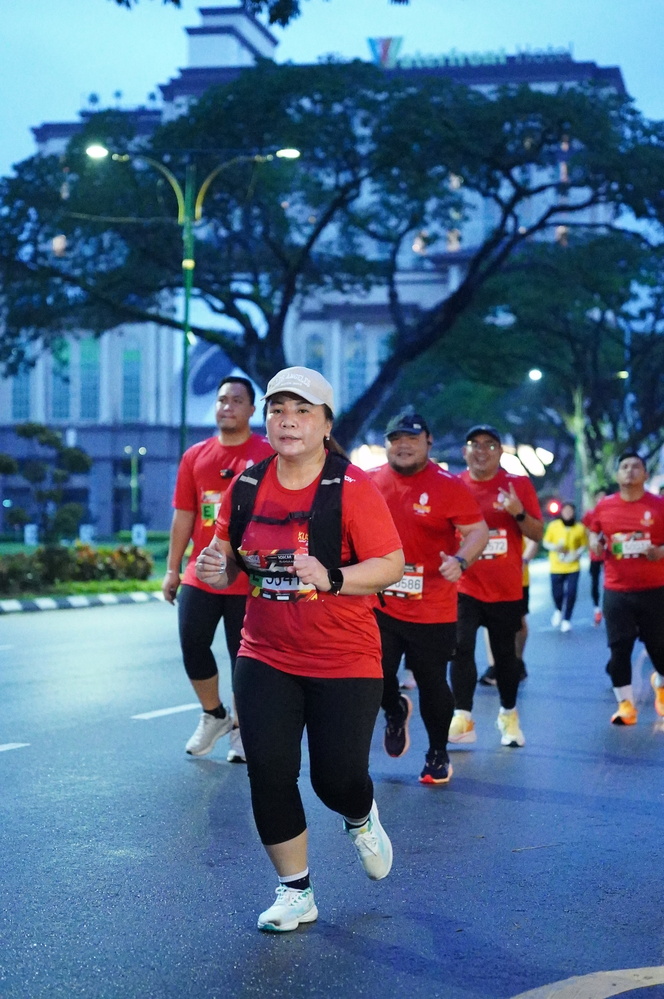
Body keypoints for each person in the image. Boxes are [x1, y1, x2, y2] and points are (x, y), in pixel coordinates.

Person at [196, 366, 404, 932]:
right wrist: (216, 570)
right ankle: (295, 891)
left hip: (345, 657)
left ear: (326, 425)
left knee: (334, 779)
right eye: (278, 410)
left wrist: (332, 577)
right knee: (268, 771)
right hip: (265, 654)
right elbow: (228, 561)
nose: (288, 421)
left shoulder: (351, 487)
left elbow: (391, 565)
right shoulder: (246, 485)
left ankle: (360, 815)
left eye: (303, 411)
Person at [368, 411, 488, 785]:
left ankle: (437, 753)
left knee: (432, 681)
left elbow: (478, 531)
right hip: (379, 602)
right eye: (395, 438)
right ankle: (394, 709)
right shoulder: (368, 482)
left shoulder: (448, 485)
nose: (403, 445)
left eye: (412, 438)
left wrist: (460, 560)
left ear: (428, 442)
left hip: (432, 605)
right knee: (375, 675)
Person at [162, 376, 273, 760]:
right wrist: (172, 569)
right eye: (222, 400)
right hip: (203, 568)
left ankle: (243, 728)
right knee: (192, 642)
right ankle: (214, 715)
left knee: (243, 655)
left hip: (249, 571)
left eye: (236, 401)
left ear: (252, 410)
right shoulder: (195, 455)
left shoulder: (267, 453)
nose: (227, 406)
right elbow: (184, 514)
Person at [449, 425, 543, 748]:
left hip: (505, 588)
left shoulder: (518, 485)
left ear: (500, 452)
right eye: (474, 444)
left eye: (490, 445)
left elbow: (538, 534)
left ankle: (509, 714)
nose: (481, 451)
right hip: (465, 585)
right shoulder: (454, 485)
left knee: (505, 657)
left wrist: (518, 513)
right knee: (460, 647)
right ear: (465, 452)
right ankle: (462, 715)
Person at [587, 451, 664, 726]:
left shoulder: (659, 505)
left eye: (636, 467)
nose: (630, 470)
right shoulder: (605, 506)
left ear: (645, 474)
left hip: (655, 589)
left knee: (659, 648)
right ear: (617, 475)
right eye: (624, 466)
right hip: (617, 590)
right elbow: (594, 532)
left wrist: (660, 551)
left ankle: (660, 684)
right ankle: (625, 705)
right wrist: (594, 543)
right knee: (619, 648)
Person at [479, 537, 539, 685]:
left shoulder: (517, 521)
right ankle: (493, 666)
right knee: (488, 620)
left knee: (518, 620)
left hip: (517, 578)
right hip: (489, 577)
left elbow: (533, 540)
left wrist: (524, 561)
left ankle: (517, 660)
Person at [542, 502, 588, 633]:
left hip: (573, 565)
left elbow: (583, 545)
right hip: (557, 565)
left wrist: (577, 553)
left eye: (570, 511)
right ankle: (558, 609)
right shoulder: (553, 526)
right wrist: (555, 547)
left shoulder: (579, 528)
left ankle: (567, 619)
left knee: (571, 592)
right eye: (565, 511)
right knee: (557, 593)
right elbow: (545, 542)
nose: (568, 513)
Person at [583, 490, 607, 625]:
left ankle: (610, 608)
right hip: (595, 554)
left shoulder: (612, 512)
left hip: (610, 553)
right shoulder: (590, 514)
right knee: (595, 581)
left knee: (610, 581)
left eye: (604, 497)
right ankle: (597, 608)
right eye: (599, 497)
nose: (601, 500)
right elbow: (587, 532)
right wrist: (591, 545)